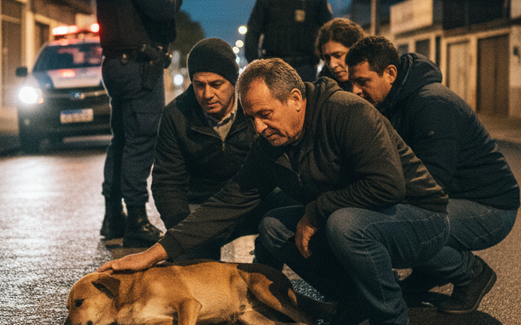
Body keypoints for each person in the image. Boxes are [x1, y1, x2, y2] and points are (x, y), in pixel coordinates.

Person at [99, 58, 451, 325]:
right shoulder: (269, 142)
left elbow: (388, 185)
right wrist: (156, 253)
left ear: (296, 99)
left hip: (418, 217)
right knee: (274, 226)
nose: (258, 127)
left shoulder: (348, 113)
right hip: (360, 218)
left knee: (344, 223)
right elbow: (229, 201)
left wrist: (317, 210)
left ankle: (390, 316)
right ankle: (353, 302)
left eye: (265, 114)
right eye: (251, 117)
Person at [345, 36, 520, 315]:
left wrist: (375, 198)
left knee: (391, 228)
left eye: (363, 82)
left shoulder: (431, 104)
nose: (355, 90)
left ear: (390, 73)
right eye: (352, 83)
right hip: (455, 199)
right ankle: (429, 273)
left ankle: (471, 274)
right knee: (390, 219)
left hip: (491, 209)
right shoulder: (395, 101)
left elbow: (432, 182)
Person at [151, 38, 294, 263]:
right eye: (199, 85)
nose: (207, 94)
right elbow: (167, 182)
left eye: (216, 84)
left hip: (252, 200)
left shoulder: (253, 108)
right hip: (202, 210)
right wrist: (182, 231)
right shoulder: (176, 114)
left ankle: (265, 263)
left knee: (288, 204)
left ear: (234, 82)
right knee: (191, 275)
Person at [94, 0, 182, 247]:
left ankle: (113, 216)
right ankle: (137, 220)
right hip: (138, 67)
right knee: (141, 140)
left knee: (121, 140)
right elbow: (163, 8)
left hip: (116, 63)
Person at [244, 0, 333, 82]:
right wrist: (255, 63)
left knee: (304, 101)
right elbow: (253, 31)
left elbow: (329, 31)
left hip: (305, 66)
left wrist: (328, 60)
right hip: (273, 66)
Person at [314, 18, 366, 91]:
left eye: (338, 55)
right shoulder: (322, 87)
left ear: (357, 50)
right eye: (327, 58)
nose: (332, 65)